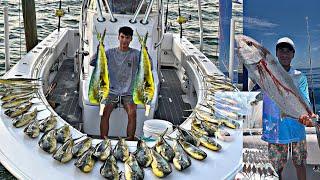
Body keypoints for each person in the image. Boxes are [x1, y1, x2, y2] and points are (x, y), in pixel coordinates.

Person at [260, 37, 316, 180]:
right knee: (276, 168)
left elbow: (305, 100)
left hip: (297, 128)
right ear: (276, 53)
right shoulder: (266, 73)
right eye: (281, 50)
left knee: (300, 164)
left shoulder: (300, 77)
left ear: (293, 54)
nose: (284, 54)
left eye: (288, 51)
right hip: (275, 130)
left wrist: (307, 116)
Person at [90, 26, 140, 140]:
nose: (124, 40)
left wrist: (146, 54)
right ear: (118, 37)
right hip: (111, 91)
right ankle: (104, 139)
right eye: (122, 37)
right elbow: (93, 63)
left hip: (128, 92)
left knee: (132, 113)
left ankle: (130, 139)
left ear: (131, 39)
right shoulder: (109, 53)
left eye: (127, 38)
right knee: (104, 112)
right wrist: (99, 51)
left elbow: (149, 67)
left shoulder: (136, 54)